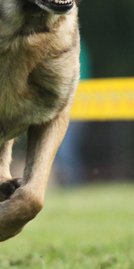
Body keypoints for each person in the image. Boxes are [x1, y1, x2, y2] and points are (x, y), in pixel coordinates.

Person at [54, 39, 91, 185]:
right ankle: (69, 185)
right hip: (61, 111)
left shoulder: (77, 49)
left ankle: (73, 184)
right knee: (61, 153)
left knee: (65, 152)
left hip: (74, 112)